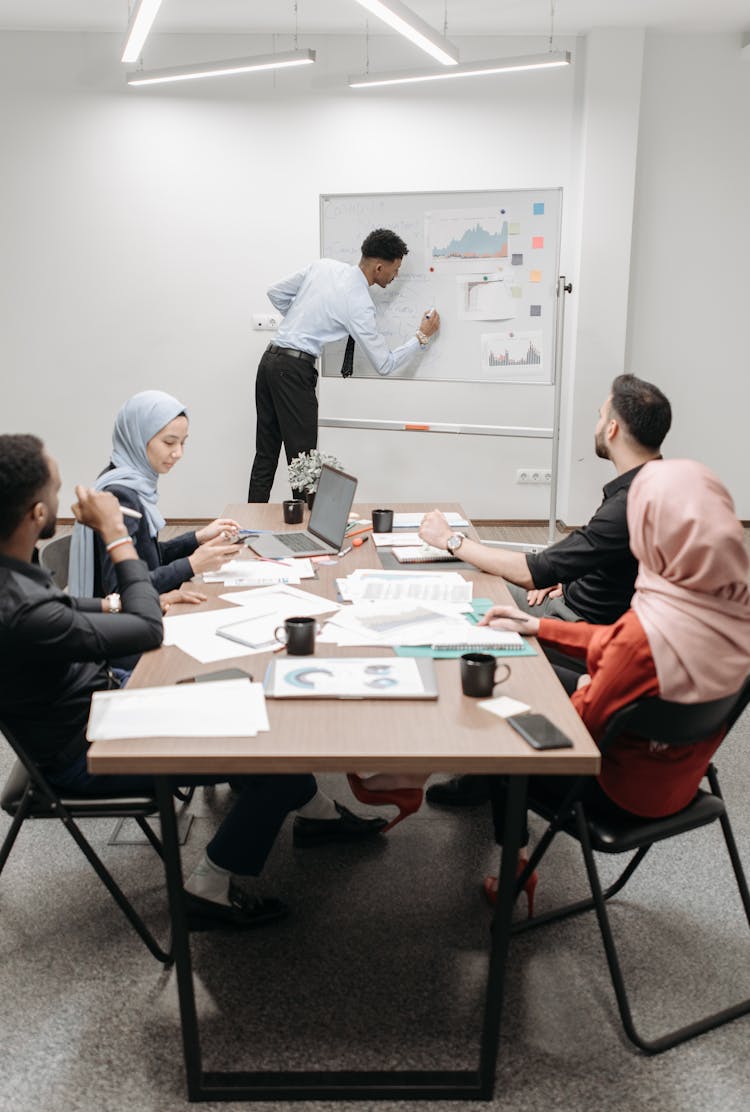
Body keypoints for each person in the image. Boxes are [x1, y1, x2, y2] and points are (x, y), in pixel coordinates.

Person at [0, 435, 385, 929]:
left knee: (245, 696)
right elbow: (144, 631)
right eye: (56, 489)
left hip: (100, 708)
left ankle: (316, 813)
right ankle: (208, 887)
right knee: (276, 755)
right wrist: (117, 536)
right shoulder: (20, 610)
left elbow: (67, 611)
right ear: (35, 514)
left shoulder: (14, 577)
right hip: (88, 753)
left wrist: (116, 605)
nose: (66, 498)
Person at [480, 459, 750, 916]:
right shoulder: (725, 605)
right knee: (539, 664)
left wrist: (589, 683)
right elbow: (616, 644)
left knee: (503, 711)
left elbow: (579, 734)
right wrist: (539, 627)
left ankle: (516, 873)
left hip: (616, 793)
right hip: (684, 781)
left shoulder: (646, 634)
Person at [419, 372, 672, 807]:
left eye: (599, 416)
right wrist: (566, 574)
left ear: (612, 429)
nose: (596, 425)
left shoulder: (629, 502)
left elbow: (532, 570)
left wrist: (453, 541)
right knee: (477, 583)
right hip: (578, 603)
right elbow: (610, 555)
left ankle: (484, 775)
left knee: (472, 618)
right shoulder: (658, 484)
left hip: (580, 627)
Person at [248, 228, 441, 502]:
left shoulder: (323, 267)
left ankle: (247, 531)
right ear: (378, 267)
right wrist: (421, 337)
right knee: (304, 462)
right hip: (293, 372)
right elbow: (384, 364)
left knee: (266, 454)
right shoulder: (359, 303)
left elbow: (275, 293)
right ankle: (308, 537)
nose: (395, 276)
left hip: (269, 361)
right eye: (395, 269)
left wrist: (302, 321)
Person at [69, 390, 243, 609]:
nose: (178, 453)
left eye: (183, 443)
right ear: (138, 439)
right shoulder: (121, 495)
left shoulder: (126, 479)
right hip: (127, 623)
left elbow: (143, 559)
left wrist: (196, 539)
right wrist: (192, 565)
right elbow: (122, 590)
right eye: (169, 443)